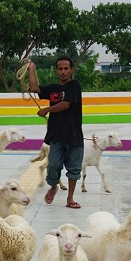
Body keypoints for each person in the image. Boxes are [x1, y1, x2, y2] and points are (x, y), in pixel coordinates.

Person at [27, 55, 84, 209]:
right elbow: (34, 88)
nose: (63, 72)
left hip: (73, 136)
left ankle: (70, 199)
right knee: (53, 164)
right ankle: (53, 186)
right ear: (56, 70)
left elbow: (65, 105)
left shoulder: (74, 85)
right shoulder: (53, 89)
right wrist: (31, 69)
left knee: (74, 169)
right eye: (60, 69)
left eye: (66, 68)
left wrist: (46, 109)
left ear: (71, 70)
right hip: (56, 135)